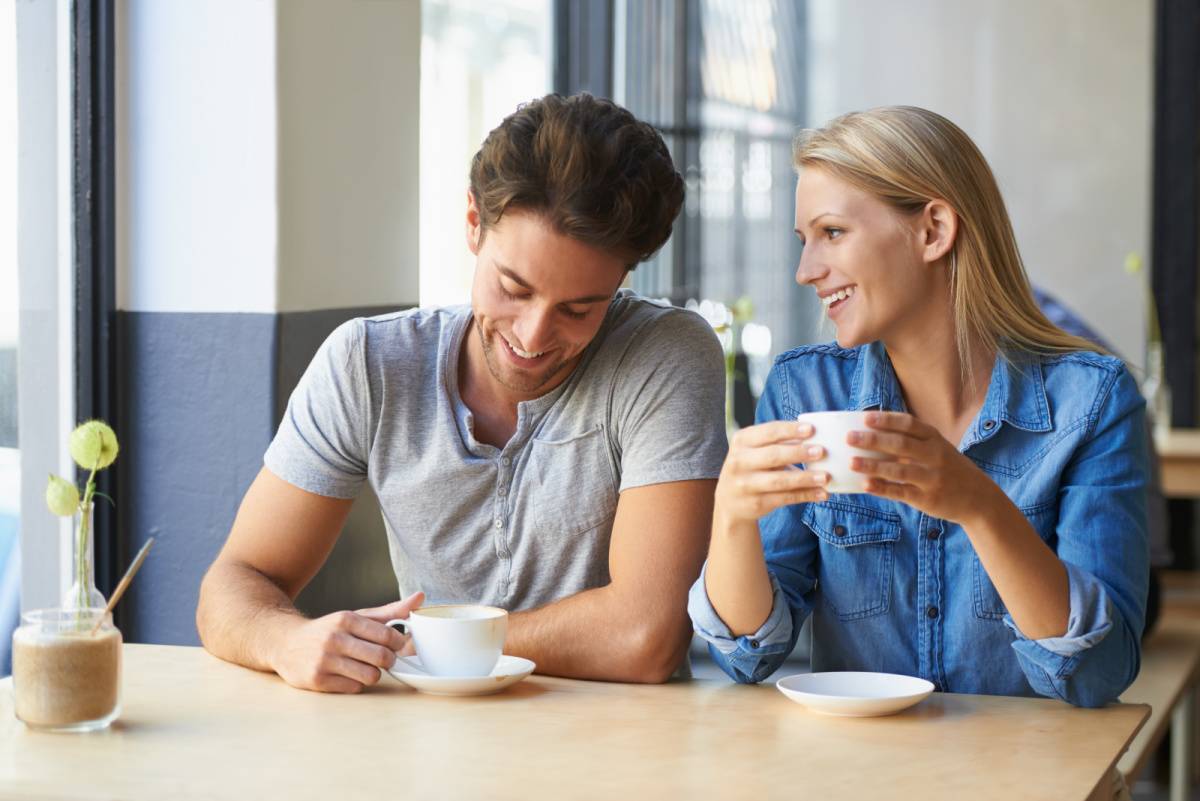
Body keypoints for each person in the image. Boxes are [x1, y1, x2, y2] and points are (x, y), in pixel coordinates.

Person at [197, 93, 727, 693]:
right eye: (513, 287)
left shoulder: (665, 354)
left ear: (623, 279)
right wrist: (283, 639)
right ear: (473, 223)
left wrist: (419, 644)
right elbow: (235, 581)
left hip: (619, 756)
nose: (533, 336)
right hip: (430, 750)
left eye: (579, 309)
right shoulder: (369, 364)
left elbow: (645, 638)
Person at [689, 106, 1149, 709]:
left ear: (933, 229)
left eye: (831, 233)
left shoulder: (1091, 402)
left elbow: (1098, 673)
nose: (806, 272)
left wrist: (981, 507)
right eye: (804, 242)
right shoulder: (807, 391)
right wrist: (732, 519)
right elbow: (749, 655)